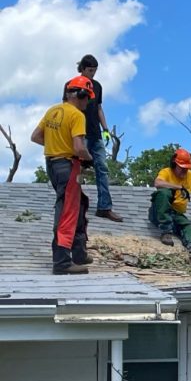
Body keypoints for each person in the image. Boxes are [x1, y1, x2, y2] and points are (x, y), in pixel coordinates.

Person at [31, 76, 95, 274]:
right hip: (67, 166)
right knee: (66, 212)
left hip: (53, 164)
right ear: (80, 94)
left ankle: (78, 253)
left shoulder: (53, 110)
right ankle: (61, 262)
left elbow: (36, 137)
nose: (88, 103)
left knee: (79, 204)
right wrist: (88, 158)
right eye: (87, 98)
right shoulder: (77, 115)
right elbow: (78, 147)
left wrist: (57, 146)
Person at [64, 55, 123, 222]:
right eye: (90, 71)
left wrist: (105, 129)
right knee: (75, 168)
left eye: (95, 71)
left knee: (102, 168)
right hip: (78, 133)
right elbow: (66, 107)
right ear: (82, 69)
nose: (92, 74)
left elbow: (99, 108)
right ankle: (71, 205)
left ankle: (104, 207)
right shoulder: (71, 84)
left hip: (95, 133)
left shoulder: (97, 86)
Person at [149, 148, 191, 252]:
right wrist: (178, 187)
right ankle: (166, 232)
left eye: (186, 168)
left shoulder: (190, 175)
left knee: (188, 226)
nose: (185, 170)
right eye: (182, 168)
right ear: (174, 164)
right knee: (163, 193)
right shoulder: (166, 172)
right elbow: (157, 183)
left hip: (176, 214)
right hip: (159, 213)